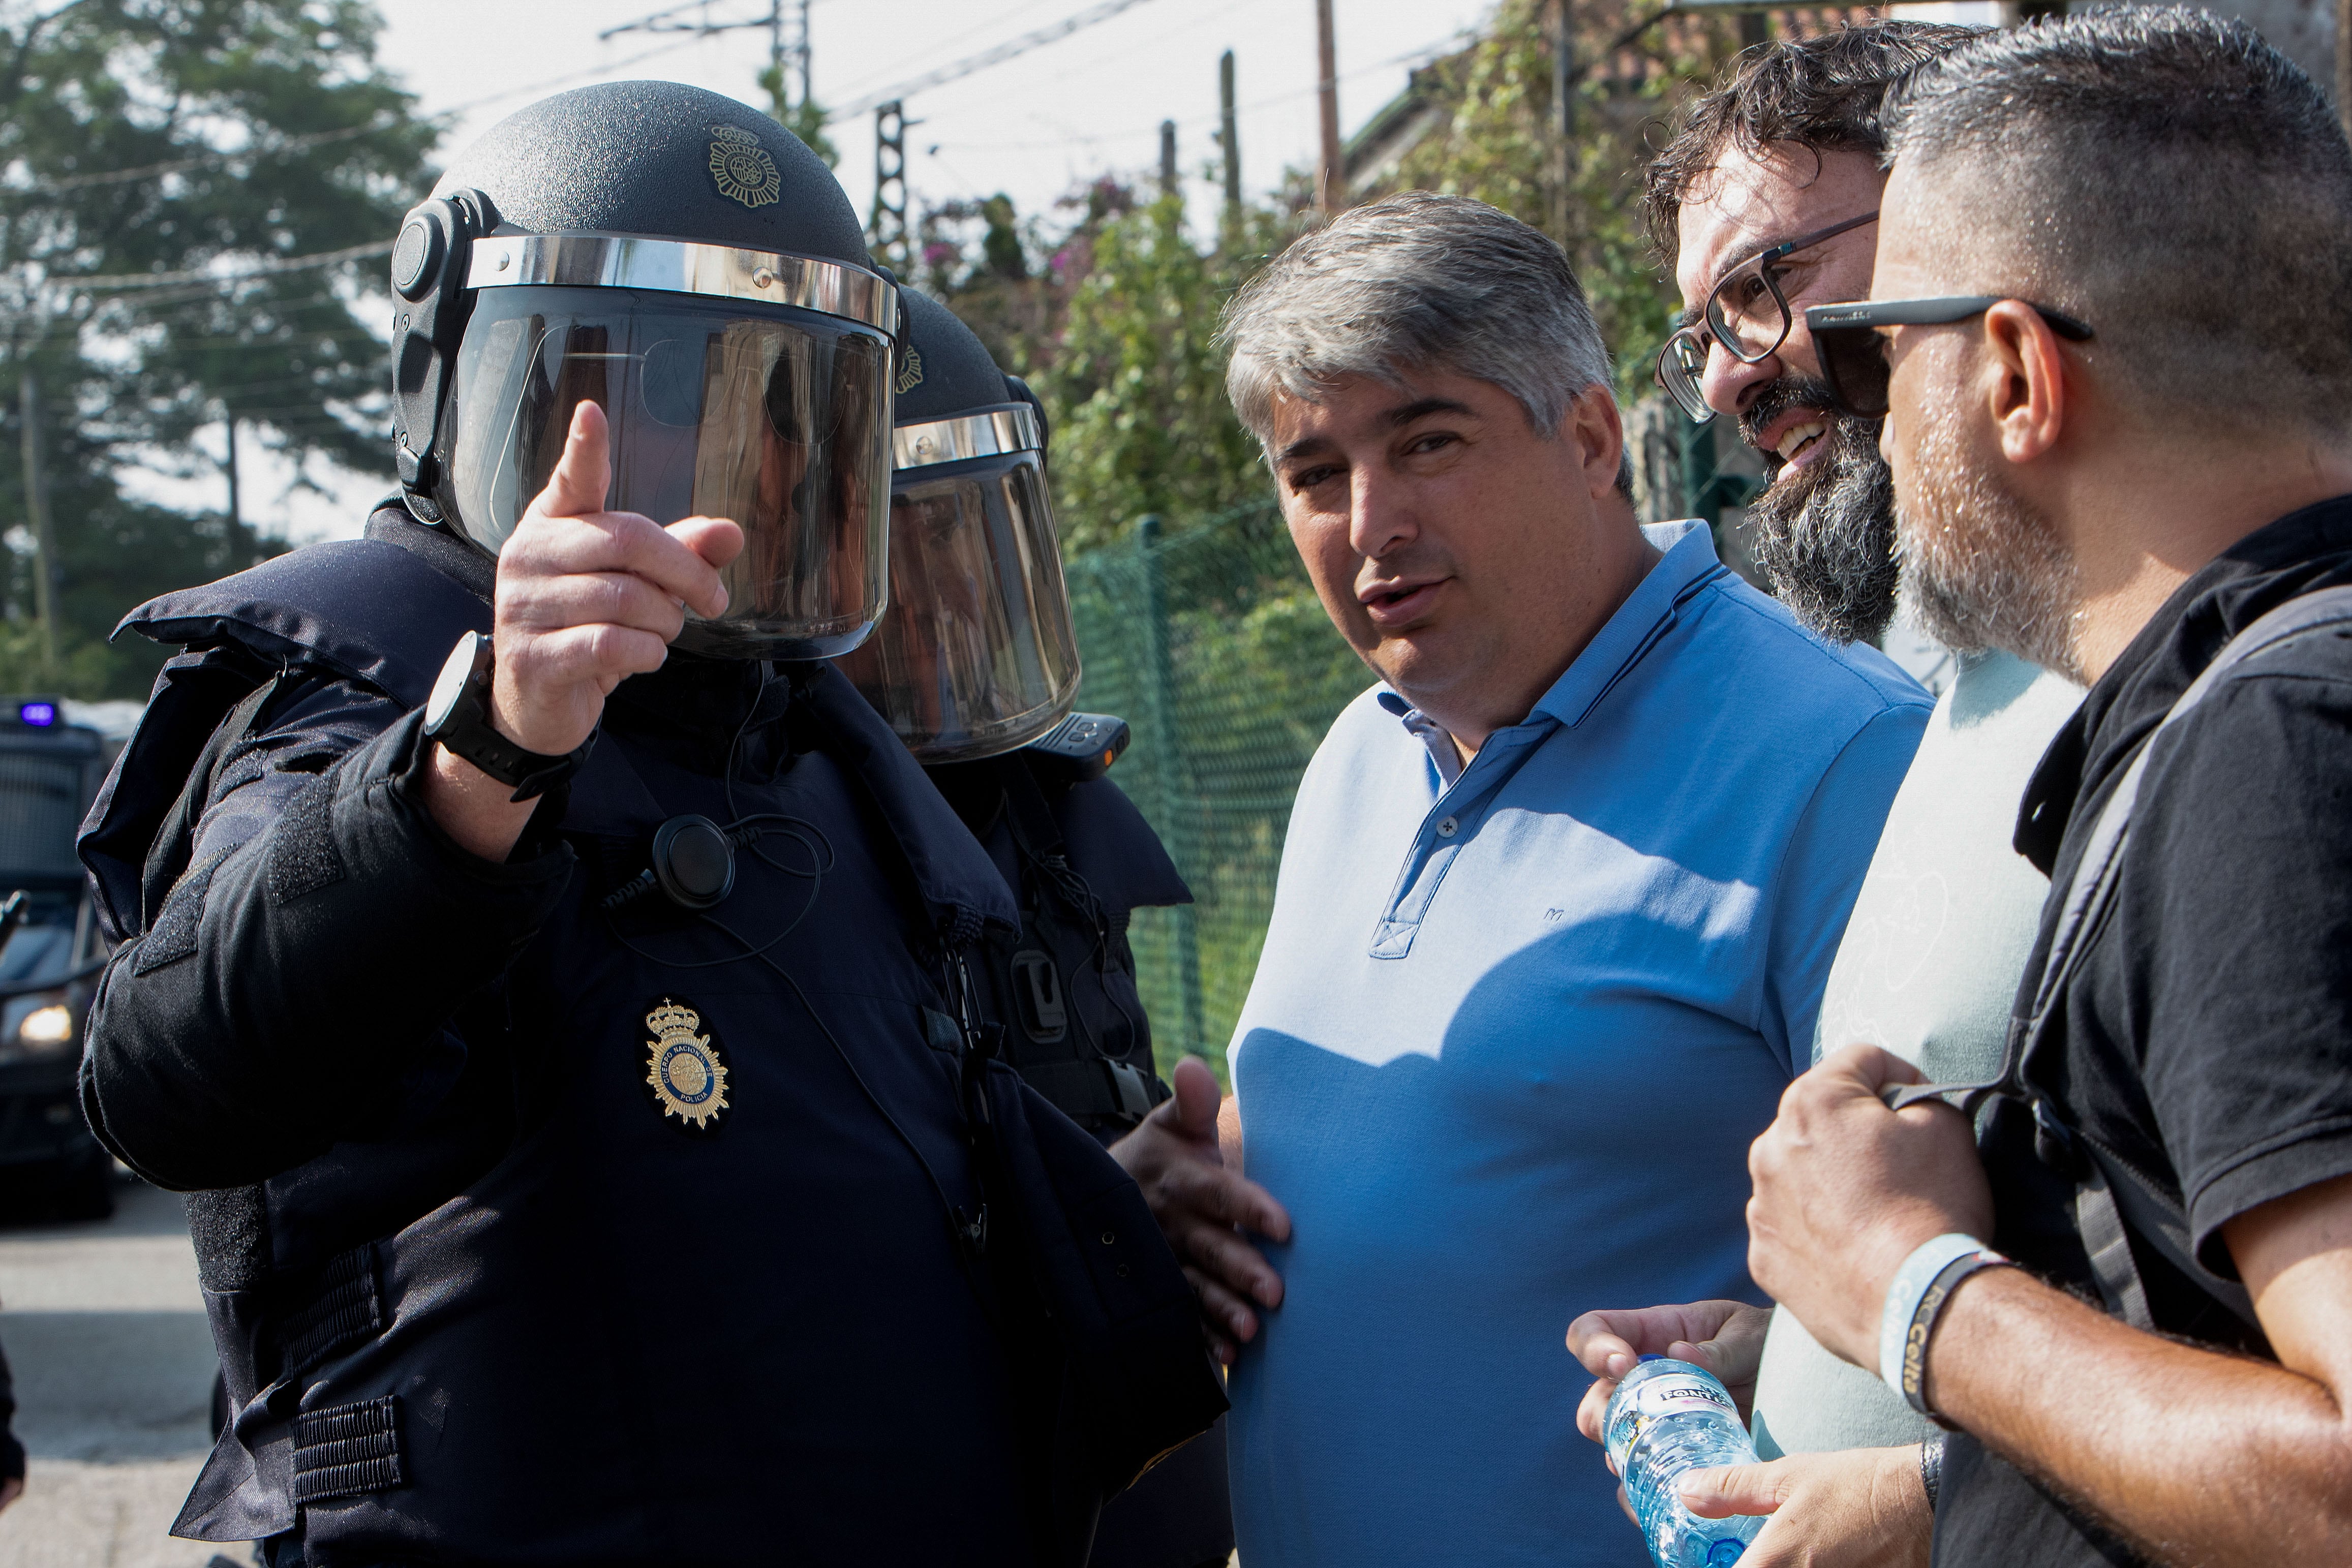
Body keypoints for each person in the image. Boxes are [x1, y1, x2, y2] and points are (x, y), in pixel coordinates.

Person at [73, 82, 1213, 1566]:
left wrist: (1090, 1204)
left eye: (778, 403)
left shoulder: (806, 737)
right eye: (635, 388)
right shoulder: (367, 684)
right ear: (463, 379)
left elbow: (841, 1184)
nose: (722, 467)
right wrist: (472, 763)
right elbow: (171, 1079)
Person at [1110, 191, 1932, 1566]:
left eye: (1426, 441)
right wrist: (1186, 1188)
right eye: (1314, 473)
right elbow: (1453, 1152)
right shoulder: (1356, 758)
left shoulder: (1840, 752)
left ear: (1594, 438)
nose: (1369, 522)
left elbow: (1977, 1278)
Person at [1736, 12, 2352, 1564]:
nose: (1872, 410)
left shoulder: (2268, 737)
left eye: (1880, 347)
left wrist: (1908, 1281)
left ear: (2011, 368)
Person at [1566, 23, 2085, 1565]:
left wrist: (1931, 1505)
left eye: (1758, 286)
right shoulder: (1974, 689)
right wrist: (1794, 1356)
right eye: (1703, 324)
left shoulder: (2228, 702)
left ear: (1963, 220)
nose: (1727, 374)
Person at [838, 290, 1236, 1568]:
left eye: (965, 531)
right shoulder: (750, 848)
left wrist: (1138, 1195)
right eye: (896, 546)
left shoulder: (1049, 814)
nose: (945, 589)